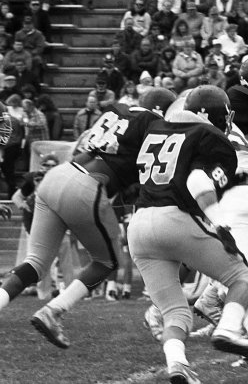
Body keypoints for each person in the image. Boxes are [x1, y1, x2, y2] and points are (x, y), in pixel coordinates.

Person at [128, 85, 248, 382]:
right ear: (223, 115)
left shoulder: (156, 127)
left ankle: (178, 364)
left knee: (174, 311)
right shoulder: (213, 137)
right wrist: (219, 223)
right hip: (176, 218)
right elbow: (197, 181)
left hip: (139, 224)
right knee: (244, 278)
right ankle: (228, 329)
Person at [16, 88, 176, 348]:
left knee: (34, 263)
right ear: (161, 109)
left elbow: (91, 144)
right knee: (108, 262)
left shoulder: (115, 110)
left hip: (59, 173)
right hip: (88, 187)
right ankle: (53, 310)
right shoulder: (153, 122)